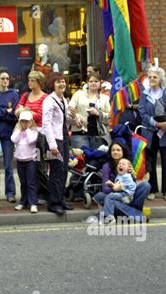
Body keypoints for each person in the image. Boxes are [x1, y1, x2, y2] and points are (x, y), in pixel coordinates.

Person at [138, 66, 166, 201]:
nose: (151, 79)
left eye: (154, 77)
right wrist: (156, 124)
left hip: (165, 132)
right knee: (150, 162)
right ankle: (152, 189)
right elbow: (142, 113)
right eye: (150, 77)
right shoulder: (144, 94)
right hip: (149, 132)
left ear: (160, 79)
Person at [88, 141, 150, 223]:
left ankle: (125, 213)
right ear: (110, 153)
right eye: (113, 150)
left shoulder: (128, 164)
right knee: (101, 196)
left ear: (123, 152)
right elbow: (105, 189)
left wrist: (132, 175)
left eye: (118, 150)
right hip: (116, 197)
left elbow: (133, 186)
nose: (115, 152)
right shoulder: (107, 166)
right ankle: (136, 215)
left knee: (145, 185)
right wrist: (116, 188)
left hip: (128, 196)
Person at [42, 72, 73, 215]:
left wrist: (74, 119)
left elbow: (64, 119)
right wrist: (52, 145)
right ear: (52, 84)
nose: (62, 84)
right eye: (58, 82)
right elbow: (46, 124)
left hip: (64, 138)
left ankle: (61, 200)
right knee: (55, 172)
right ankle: (53, 203)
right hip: (54, 141)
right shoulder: (49, 100)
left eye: (63, 81)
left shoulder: (63, 100)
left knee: (64, 170)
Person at [0, 69, 19, 203]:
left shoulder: (14, 95)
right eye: (2, 78)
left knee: (8, 166)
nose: (5, 81)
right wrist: (6, 111)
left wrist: (3, 112)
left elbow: (14, 115)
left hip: (8, 134)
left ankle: (10, 193)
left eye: (7, 78)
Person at [68, 74, 111, 149]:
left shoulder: (105, 98)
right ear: (87, 83)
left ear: (100, 83)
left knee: (97, 158)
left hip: (98, 135)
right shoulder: (78, 94)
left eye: (96, 81)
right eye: (91, 81)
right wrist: (76, 118)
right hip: (79, 132)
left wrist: (98, 113)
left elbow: (110, 117)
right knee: (81, 158)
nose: (93, 83)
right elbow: (69, 110)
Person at [11, 110, 39, 213]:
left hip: (30, 160)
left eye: (26, 121)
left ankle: (33, 203)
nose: (24, 123)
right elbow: (13, 139)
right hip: (20, 160)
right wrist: (19, 130)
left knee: (31, 182)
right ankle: (23, 201)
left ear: (31, 122)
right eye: (22, 121)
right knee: (23, 182)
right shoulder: (17, 131)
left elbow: (31, 140)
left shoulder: (33, 131)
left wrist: (26, 130)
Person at [97, 157, 137, 223]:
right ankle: (104, 214)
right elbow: (117, 187)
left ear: (128, 168)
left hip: (127, 196)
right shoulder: (119, 175)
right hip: (122, 193)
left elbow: (119, 187)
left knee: (110, 196)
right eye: (119, 164)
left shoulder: (127, 176)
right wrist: (112, 184)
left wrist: (111, 184)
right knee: (101, 196)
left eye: (123, 164)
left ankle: (109, 217)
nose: (120, 165)